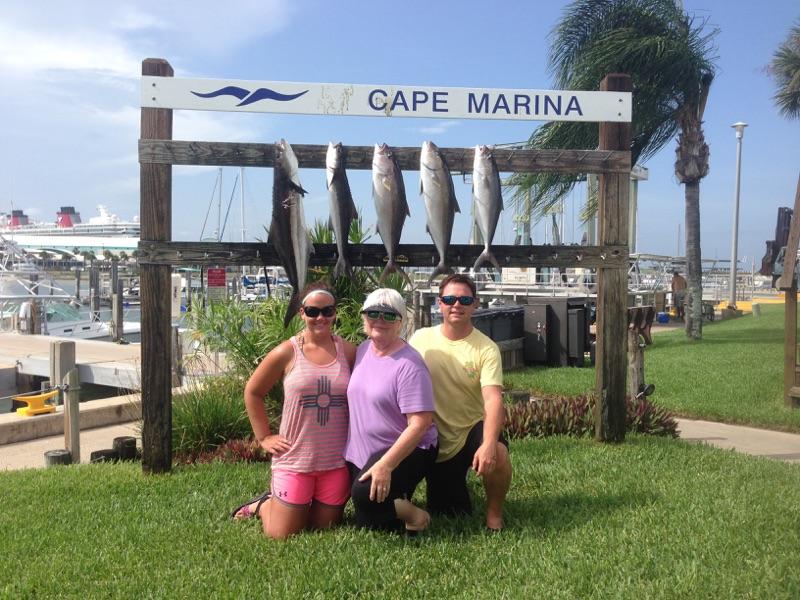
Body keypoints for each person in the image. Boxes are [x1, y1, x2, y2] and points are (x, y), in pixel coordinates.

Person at [233, 282, 356, 540]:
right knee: (282, 534)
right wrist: (264, 437)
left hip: (334, 462)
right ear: (302, 313)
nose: (320, 317)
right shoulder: (287, 351)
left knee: (323, 528)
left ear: (335, 312)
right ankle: (263, 505)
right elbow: (253, 391)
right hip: (295, 459)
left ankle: (292, 504)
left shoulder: (348, 351)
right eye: (312, 311)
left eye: (327, 311)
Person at [409, 273, 511, 531]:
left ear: (475, 304)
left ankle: (494, 515)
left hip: (469, 431)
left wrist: (489, 444)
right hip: (431, 437)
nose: (457, 305)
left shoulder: (486, 348)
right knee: (450, 510)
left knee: (499, 453)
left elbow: (493, 399)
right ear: (439, 303)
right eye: (450, 299)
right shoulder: (420, 339)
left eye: (465, 300)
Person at [346, 288, 438, 533]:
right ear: (364, 317)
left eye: (389, 315)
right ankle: (397, 497)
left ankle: (417, 516)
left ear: (400, 322)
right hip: (363, 450)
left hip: (407, 448)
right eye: (373, 313)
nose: (380, 320)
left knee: (364, 496)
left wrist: (386, 465)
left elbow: (420, 424)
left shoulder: (410, 365)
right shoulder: (363, 349)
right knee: (361, 512)